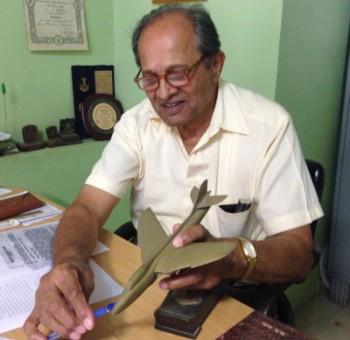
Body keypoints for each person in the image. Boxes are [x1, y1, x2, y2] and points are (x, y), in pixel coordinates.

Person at [24, 4, 323, 339]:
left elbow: (299, 253)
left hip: (233, 294)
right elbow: (87, 208)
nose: (163, 92)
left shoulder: (269, 126)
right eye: (150, 78)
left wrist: (232, 257)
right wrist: (69, 264)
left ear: (215, 64)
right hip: (153, 281)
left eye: (178, 73)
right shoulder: (136, 124)